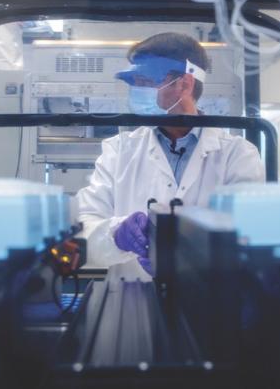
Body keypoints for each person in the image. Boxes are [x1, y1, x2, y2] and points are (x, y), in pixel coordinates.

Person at [76, 32, 264, 274]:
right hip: (131, 296)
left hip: (207, 301)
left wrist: (189, 259)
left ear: (184, 83)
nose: (136, 90)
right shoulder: (118, 150)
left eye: (145, 81)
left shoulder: (238, 155)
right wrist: (116, 235)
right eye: (134, 83)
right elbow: (82, 229)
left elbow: (247, 237)